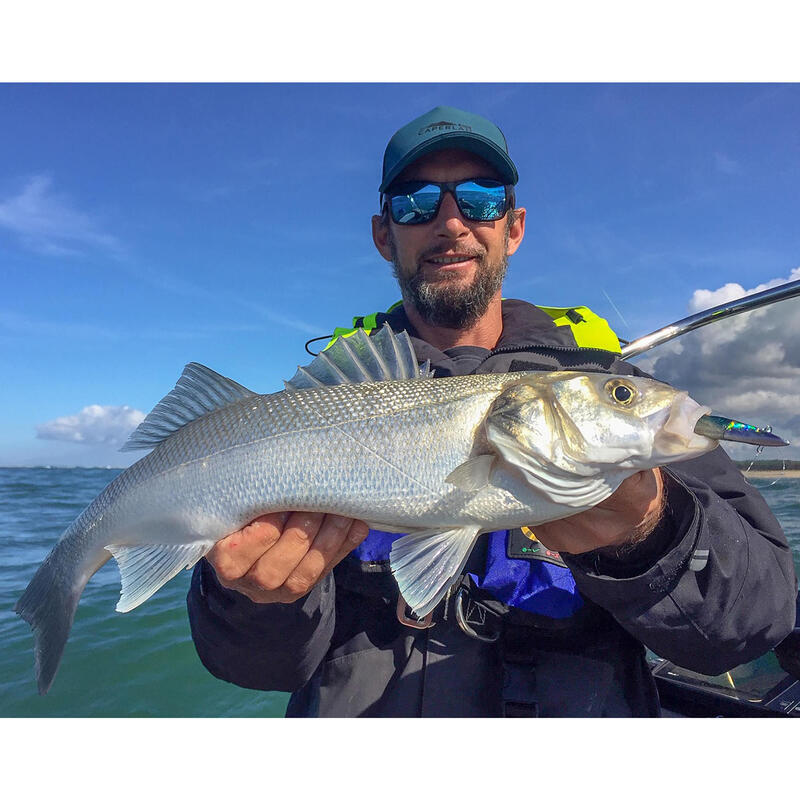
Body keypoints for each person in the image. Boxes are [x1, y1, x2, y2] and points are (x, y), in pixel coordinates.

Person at [187, 106, 798, 716]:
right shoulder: (319, 407)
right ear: (383, 234)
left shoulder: (618, 385)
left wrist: (652, 533)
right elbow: (257, 669)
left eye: (481, 198)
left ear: (515, 226)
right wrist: (250, 598)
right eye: (416, 201)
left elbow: (755, 623)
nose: (450, 222)